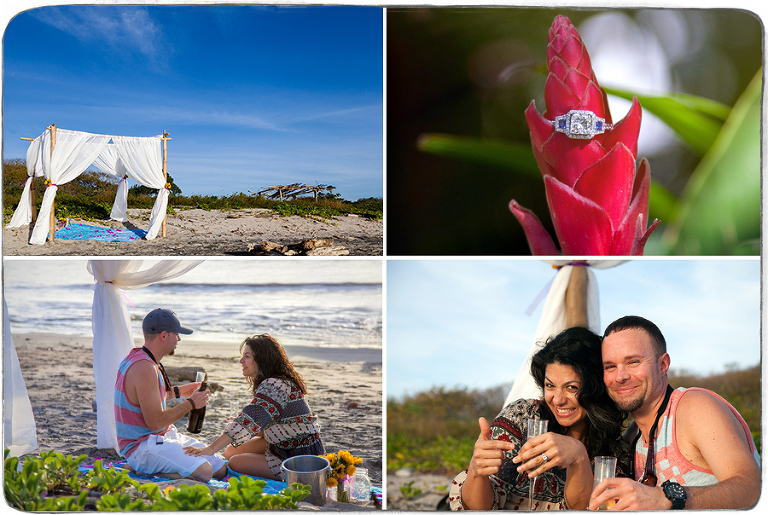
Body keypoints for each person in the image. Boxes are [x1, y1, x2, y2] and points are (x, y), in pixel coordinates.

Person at [448, 327, 631, 510]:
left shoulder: (614, 454)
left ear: (596, 386)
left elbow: (581, 509)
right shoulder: (522, 418)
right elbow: (478, 510)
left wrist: (579, 456)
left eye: (571, 388)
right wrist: (476, 471)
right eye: (550, 386)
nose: (557, 400)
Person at [591, 315, 760, 510]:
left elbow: (751, 489)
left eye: (633, 362)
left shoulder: (693, 408)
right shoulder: (635, 434)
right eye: (610, 366)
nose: (620, 376)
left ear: (663, 365)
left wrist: (666, 498)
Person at [184, 334, 324, 479]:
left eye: (247, 356)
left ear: (262, 359)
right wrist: (246, 426)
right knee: (230, 451)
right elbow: (267, 426)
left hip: (298, 456)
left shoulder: (274, 385)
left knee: (234, 462)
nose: (241, 361)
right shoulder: (276, 381)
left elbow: (248, 420)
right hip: (283, 444)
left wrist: (210, 449)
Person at [114, 308, 227, 482]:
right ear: (164, 336)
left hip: (162, 436)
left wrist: (178, 392)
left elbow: (144, 401)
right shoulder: (144, 367)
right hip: (142, 446)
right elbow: (155, 422)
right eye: (177, 334)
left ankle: (143, 467)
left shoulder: (142, 357)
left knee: (220, 469)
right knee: (205, 472)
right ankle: (141, 470)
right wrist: (191, 403)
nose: (179, 339)